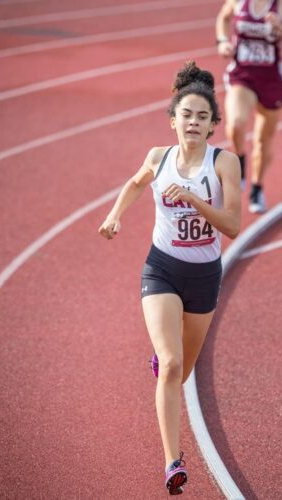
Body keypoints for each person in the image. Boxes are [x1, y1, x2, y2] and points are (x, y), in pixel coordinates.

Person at [98, 61, 241, 495]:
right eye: (186, 114)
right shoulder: (158, 158)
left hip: (204, 277)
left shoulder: (224, 163)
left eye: (202, 116)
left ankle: (166, 362)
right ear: (173, 120)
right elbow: (136, 183)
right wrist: (114, 216)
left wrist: (197, 201)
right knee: (173, 365)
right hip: (161, 269)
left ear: (213, 125)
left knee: (180, 373)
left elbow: (233, 225)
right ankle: (172, 462)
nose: (193, 122)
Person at [216, 0, 282, 213]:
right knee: (236, 124)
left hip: (271, 80)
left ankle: (257, 186)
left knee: (262, 140)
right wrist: (222, 41)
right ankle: (239, 161)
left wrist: (281, 29)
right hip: (243, 75)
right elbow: (223, 17)